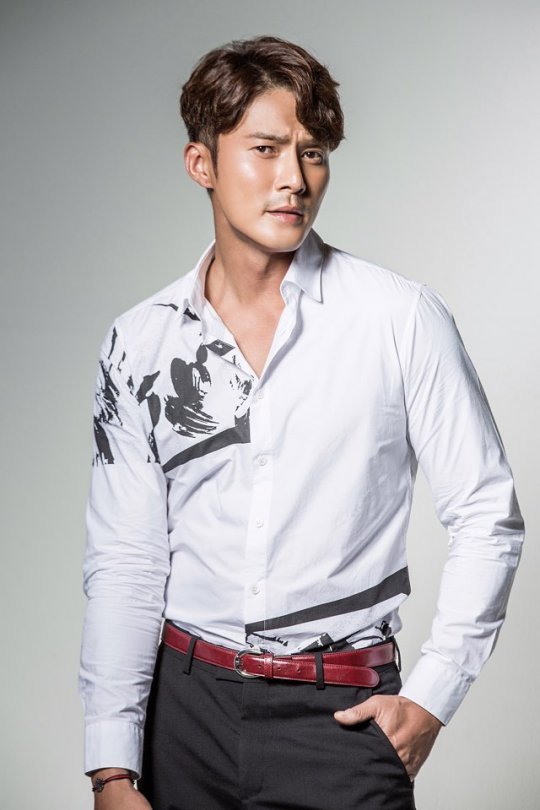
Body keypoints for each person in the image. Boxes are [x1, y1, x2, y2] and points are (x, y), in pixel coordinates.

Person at [78, 35, 525, 810]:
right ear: (202, 164)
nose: (295, 178)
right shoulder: (140, 343)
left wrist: (431, 697)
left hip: (341, 716)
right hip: (184, 716)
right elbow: (126, 557)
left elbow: (487, 514)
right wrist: (112, 766)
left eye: (312, 153)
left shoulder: (398, 318)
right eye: (266, 149)